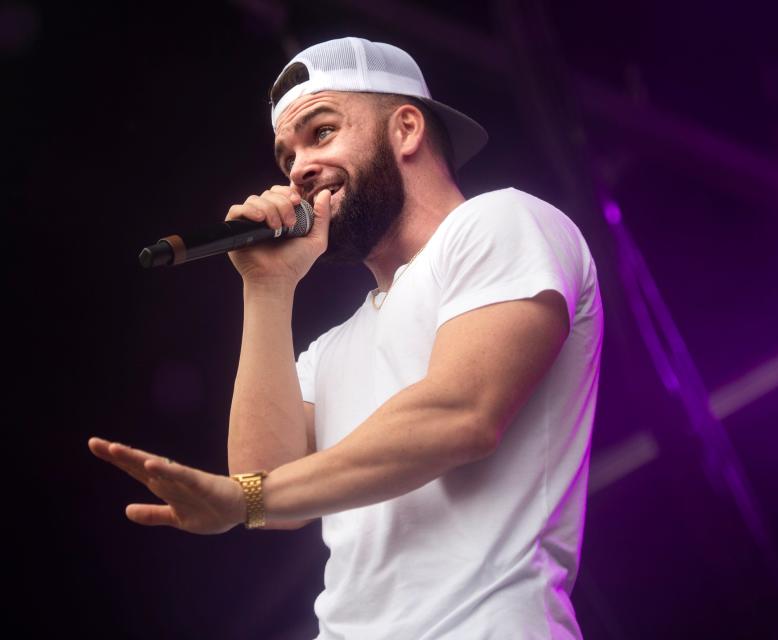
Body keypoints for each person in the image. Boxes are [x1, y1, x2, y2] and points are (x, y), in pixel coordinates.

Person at [89, 36, 604, 639]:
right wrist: (268, 288)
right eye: (286, 158)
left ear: (407, 128)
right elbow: (264, 481)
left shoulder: (504, 222)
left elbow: (459, 415)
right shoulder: (329, 350)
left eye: (322, 132)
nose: (299, 168)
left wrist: (247, 499)